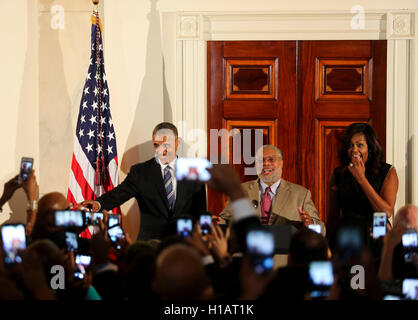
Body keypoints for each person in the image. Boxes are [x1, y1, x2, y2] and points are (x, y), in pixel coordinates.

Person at [78, 122, 207, 240]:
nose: (162, 151)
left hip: (185, 244)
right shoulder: (141, 172)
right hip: (150, 247)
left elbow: (200, 212)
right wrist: (98, 203)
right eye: (157, 145)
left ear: (177, 142)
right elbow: (118, 194)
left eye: (166, 145)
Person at [218, 145, 325, 234]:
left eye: (271, 159)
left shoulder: (301, 194)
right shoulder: (240, 190)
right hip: (249, 256)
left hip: (285, 258)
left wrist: (310, 224)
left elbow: (322, 230)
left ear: (281, 163)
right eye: (261, 160)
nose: (266, 163)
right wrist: (215, 224)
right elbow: (224, 220)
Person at [326, 123, 399, 246]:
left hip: (375, 237)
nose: (354, 150)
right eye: (350, 145)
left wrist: (361, 178)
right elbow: (333, 217)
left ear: (370, 148)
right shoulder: (338, 174)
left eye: (360, 145)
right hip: (346, 238)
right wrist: (326, 246)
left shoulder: (388, 172)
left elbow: (386, 212)